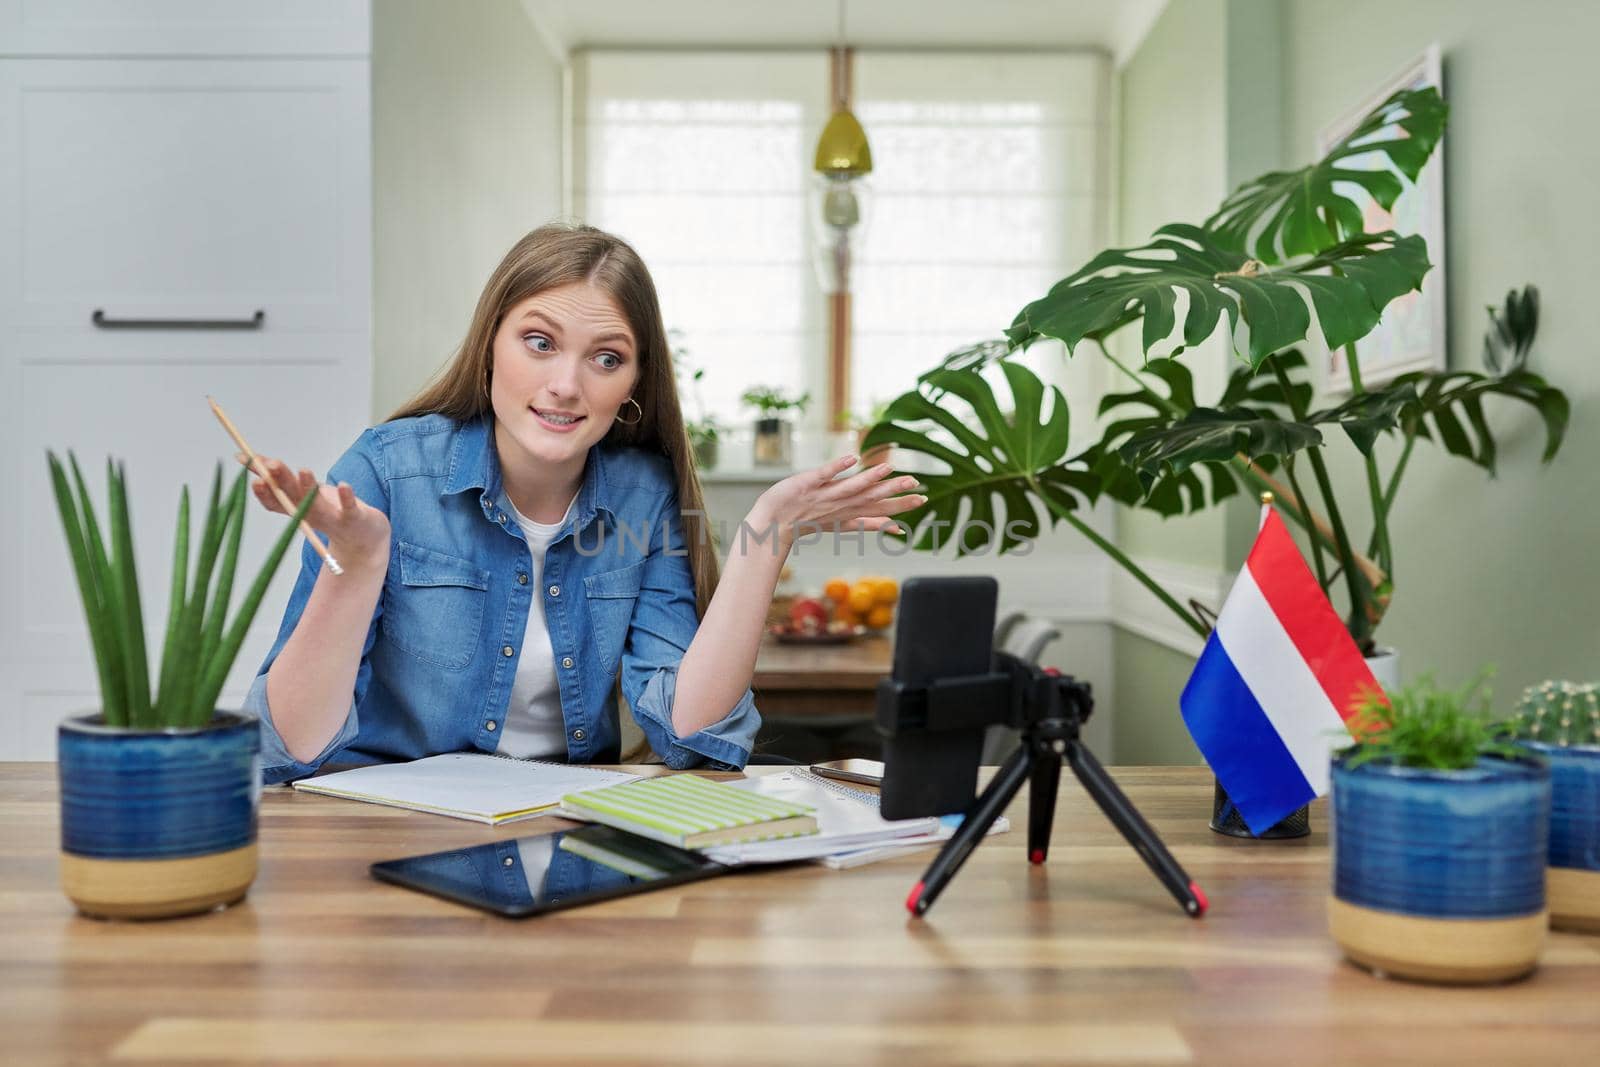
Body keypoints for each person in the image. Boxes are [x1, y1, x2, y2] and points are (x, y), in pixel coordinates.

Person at [242, 223, 922, 784]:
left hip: (560, 829)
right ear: (490, 347)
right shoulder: (386, 472)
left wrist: (767, 535)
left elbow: (692, 736)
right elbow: (290, 747)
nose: (566, 384)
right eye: (539, 343)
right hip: (376, 832)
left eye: (605, 358)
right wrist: (357, 565)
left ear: (633, 383)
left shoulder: (641, 493)